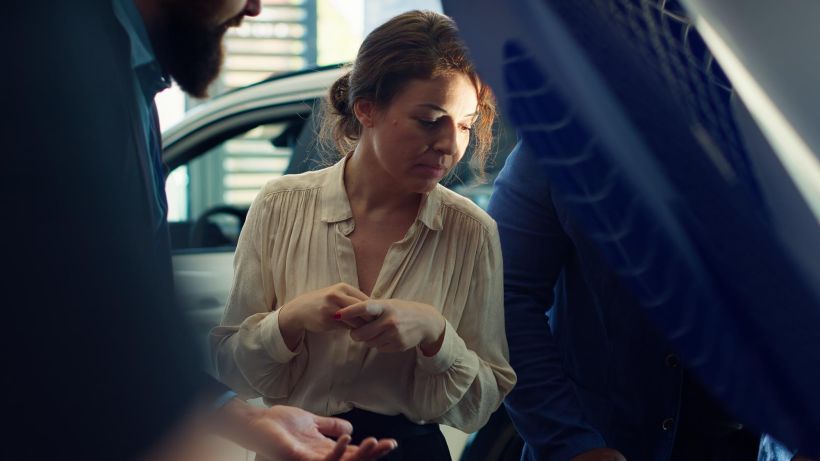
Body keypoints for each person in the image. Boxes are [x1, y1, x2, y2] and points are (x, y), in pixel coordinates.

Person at [3, 1, 393, 460]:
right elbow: (70, 324)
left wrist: (251, 419)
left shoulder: (130, 78)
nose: (254, 7)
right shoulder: (47, 53)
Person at [210, 10, 517, 461]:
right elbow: (230, 369)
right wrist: (290, 320)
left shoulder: (471, 232)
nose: (450, 145)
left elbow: (481, 403)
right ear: (367, 109)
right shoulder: (281, 205)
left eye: (466, 124)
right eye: (430, 120)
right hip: (294, 447)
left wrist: (436, 335)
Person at [486, 140, 762, 461]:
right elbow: (503, 295)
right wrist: (568, 441)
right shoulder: (558, 136)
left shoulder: (772, 135)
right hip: (593, 439)